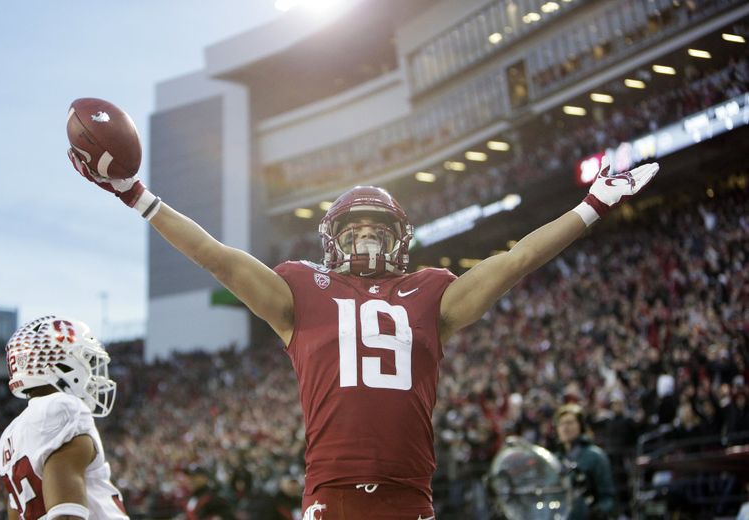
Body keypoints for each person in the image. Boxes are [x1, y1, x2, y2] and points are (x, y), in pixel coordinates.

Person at [68, 146, 658, 519]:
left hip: (411, 495)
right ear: (333, 238)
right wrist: (137, 196)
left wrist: (590, 209)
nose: (366, 237)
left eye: (378, 226)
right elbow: (218, 258)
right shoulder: (299, 290)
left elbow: (514, 262)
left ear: (400, 236)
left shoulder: (433, 292)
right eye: (355, 227)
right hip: (333, 494)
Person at [0, 315, 128, 520]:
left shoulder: (10, 435)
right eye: (87, 360)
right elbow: (66, 515)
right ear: (60, 363)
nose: (94, 373)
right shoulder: (63, 407)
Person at [554, 403, 616, 519]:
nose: (565, 428)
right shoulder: (554, 460)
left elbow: (608, 497)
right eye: (561, 424)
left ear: (581, 426)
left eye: (570, 422)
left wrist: (598, 511)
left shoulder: (595, 456)